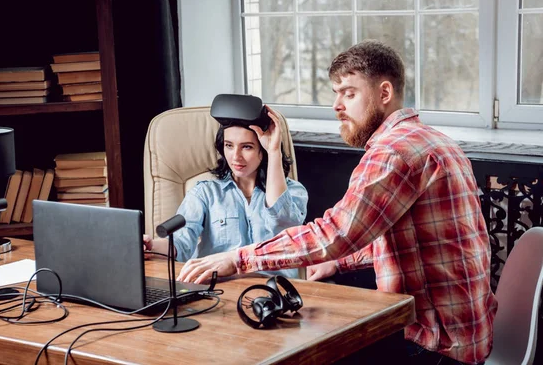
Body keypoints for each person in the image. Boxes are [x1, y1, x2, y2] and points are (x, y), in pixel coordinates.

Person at [176, 40, 498, 365]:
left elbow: (335, 232)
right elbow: (417, 238)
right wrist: (338, 263)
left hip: (431, 345)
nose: (336, 105)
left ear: (384, 93)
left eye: (349, 93)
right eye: (335, 93)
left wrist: (240, 259)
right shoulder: (436, 141)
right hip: (465, 335)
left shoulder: (392, 153)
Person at [143, 105, 308, 279]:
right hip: (220, 290)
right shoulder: (204, 193)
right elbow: (181, 242)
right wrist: (151, 246)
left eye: (247, 147)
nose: (236, 156)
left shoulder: (294, 192)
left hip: (275, 292)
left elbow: (285, 225)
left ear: (263, 149)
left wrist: (274, 151)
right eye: (229, 145)